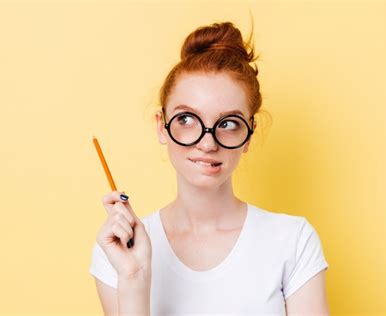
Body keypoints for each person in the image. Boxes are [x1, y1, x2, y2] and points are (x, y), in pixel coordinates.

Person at [89, 21, 329, 315]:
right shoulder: (119, 251)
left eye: (228, 123)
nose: (207, 142)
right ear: (161, 127)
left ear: (249, 134)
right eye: (187, 119)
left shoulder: (293, 240)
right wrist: (135, 279)